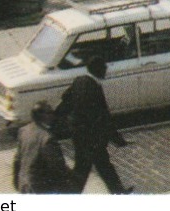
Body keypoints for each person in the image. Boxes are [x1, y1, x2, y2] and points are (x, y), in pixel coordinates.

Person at [56, 58, 131, 194]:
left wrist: (63, 121)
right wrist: (118, 139)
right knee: (95, 167)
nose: (106, 70)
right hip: (92, 138)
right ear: (98, 70)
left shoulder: (80, 81)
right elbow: (103, 118)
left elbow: (65, 100)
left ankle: (118, 191)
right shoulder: (93, 88)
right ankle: (118, 192)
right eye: (104, 68)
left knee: (93, 167)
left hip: (80, 135)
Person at [12, 101, 71, 194]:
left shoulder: (24, 130)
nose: (53, 115)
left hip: (24, 184)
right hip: (40, 188)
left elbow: (17, 159)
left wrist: (16, 180)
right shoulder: (47, 138)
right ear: (42, 116)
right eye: (50, 112)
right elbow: (57, 166)